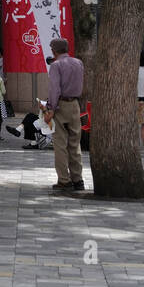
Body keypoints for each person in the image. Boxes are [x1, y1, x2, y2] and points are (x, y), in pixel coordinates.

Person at [42, 38, 85, 191]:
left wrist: (50, 109)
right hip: (75, 104)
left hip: (60, 105)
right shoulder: (79, 63)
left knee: (60, 144)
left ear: (54, 50)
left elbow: (55, 89)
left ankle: (64, 180)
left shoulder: (56, 65)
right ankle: (78, 179)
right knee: (75, 143)